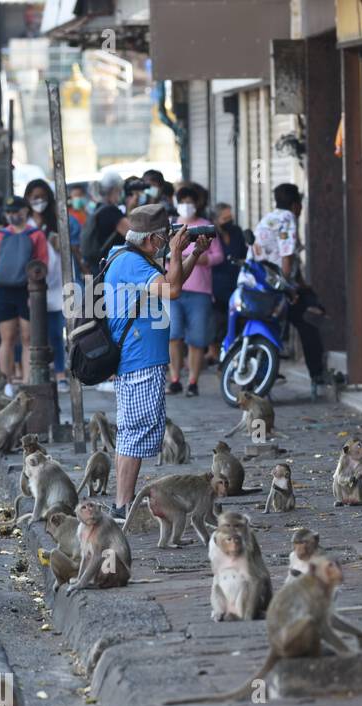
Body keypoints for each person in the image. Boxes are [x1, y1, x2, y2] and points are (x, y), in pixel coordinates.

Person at [104, 205, 211, 520]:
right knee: (135, 432)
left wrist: (190, 255)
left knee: (132, 431)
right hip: (139, 357)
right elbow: (174, 289)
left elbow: (168, 283)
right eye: (165, 237)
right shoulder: (134, 264)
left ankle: (122, 502)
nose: (169, 240)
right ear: (151, 239)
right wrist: (178, 252)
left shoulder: (127, 256)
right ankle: (123, 504)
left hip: (139, 356)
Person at [251, 183, 327, 385]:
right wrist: (288, 289)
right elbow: (286, 258)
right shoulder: (289, 219)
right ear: (295, 205)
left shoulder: (268, 219)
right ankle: (317, 374)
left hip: (260, 284)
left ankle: (265, 373)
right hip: (277, 287)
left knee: (275, 325)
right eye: (301, 205)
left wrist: (302, 284)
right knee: (309, 319)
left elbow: (292, 263)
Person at [0, 198, 48, 389]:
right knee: (7, 338)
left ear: (24, 211)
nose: (12, 216)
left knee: (28, 338)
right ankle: (7, 384)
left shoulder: (36, 235)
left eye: (16, 212)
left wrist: (34, 294)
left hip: (27, 289)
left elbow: (43, 265)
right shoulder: (1, 236)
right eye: (9, 212)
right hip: (3, 289)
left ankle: (29, 382)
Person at [167, 184, 223, 396]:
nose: (186, 206)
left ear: (197, 204)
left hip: (200, 291)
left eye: (190, 202)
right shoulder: (171, 226)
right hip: (173, 290)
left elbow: (218, 256)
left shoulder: (205, 226)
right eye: (182, 202)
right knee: (173, 335)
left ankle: (192, 381)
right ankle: (174, 378)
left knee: (197, 339)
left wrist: (199, 258)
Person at [24, 179, 69, 391]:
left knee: (56, 334)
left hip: (56, 287)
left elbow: (67, 252)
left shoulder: (56, 223)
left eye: (42, 197)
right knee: (36, 337)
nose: (38, 201)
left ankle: (60, 373)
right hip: (33, 289)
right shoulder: (26, 226)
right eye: (34, 197)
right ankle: (40, 374)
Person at [209, 202, 245, 365]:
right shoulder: (210, 234)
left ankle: (236, 355)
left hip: (235, 282)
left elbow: (243, 253)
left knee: (237, 321)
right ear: (216, 219)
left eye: (230, 217)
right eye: (225, 218)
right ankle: (217, 356)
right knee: (218, 323)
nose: (229, 221)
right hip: (216, 284)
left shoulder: (236, 231)